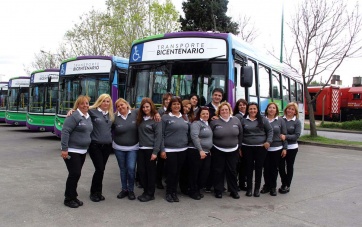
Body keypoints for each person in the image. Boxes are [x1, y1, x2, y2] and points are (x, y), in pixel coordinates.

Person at [61, 95, 93, 208]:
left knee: (76, 174)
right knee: (74, 174)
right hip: (72, 150)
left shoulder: (87, 116)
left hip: (83, 151)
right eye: (82, 103)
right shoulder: (74, 116)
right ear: (78, 105)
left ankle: (73, 196)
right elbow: (65, 131)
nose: (85, 105)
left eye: (87, 103)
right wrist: (64, 149)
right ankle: (68, 198)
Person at [210, 102, 243, 199]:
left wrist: (239, 146)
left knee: (232, 171)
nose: (224, 111)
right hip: (218, 150)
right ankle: (218, 190)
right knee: (218, 171)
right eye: (222, 109)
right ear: (219, 111)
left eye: (226, 109)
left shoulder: (236, 120)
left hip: (233, 150)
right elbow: (210, 135)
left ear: (229, 110)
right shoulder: (214, 122)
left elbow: (240, 134)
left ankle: (233, 190)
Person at [240, 102, 273, 197]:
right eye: (250, 109)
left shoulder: (263, 119)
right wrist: (240, 147)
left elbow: (270, 131)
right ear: (247, 110)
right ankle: (249, 189)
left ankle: (257, 189)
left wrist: (268, 141)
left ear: (257, 110)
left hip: (261, 148)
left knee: (258, 168)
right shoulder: (243, 120)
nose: (252, 111)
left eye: (254, 109)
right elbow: (240, 134)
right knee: (249, 168)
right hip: (247, 147)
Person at [160, 96, 189, 203]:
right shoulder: (165, 117)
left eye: (178, 104)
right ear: (170, 106)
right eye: (174, 104)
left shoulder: (184, 117)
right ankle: (168, 192)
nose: (176, 106)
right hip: (170, 150)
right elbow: (161, 135)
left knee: (177, 172)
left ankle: (174, 193)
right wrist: (162, 149)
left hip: (183, 149)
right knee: (171, 172)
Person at [87, 94, 115, 202]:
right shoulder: (92, 111)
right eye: (104, 101)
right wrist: (71, 111)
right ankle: (93, 193)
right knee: (99, 168)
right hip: (95, 146)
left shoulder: (111, 115)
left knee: (101, 170)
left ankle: (99, 192)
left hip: (107, 147)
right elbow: (79, 111)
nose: (106, 103)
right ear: (99, 101)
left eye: (108, 101)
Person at [136, 98, 162, 202]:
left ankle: (150, 194)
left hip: (151, 150)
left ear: (151, 107)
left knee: (150, 172)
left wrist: (155, 152)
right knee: (142, 171)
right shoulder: (140, 118)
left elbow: (158, 136)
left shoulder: (156, 119)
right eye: (143, 107)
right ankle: (145, 191)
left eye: (147, 106)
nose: (145, 108)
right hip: (141, 149)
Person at [113, 98, 139, 200]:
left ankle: (131, 190)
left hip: (133, 148)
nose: (120, 107)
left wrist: (157, 114)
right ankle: (124, 189)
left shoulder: (135, 113)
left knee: (131, 169)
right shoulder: (114, 117)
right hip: (118, 148)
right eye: (118, 106)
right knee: (123, 169)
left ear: (127, 105)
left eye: (122, 105)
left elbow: (149, 111)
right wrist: (73, 110)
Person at [260, 103, 287, 196]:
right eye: (270, 108)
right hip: (265, 148)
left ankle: (273, 187)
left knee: (274, 169)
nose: (271, 109)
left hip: (277, 148)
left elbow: (284, 135)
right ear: (267, 109)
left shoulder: (280, 120)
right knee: (266, 169)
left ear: (276, 110)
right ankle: (266, 186)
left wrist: (285, 148)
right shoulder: (262, 120)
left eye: (273, 108)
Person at [189, 106, 213, 200]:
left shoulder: (207, 124)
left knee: (204, 173)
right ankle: (193, 191)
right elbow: (194, 137)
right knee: (195, 172)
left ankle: (198, 189)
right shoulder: (196, 123)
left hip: (206, 152)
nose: (205, 115)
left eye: (207, 114)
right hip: (197, 151)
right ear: (199, 115)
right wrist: (200, 150)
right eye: (203, 113)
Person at [279, 102, 301, 194]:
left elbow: (296, 136)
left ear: (295, 112)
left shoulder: (297, 122)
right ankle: (284, 182)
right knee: (280, 167)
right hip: (281, 147)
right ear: (286, 109)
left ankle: (287, 185)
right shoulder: (280, 119)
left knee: (289, 166)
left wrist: (285, 137)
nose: (290, 110)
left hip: (292, 147)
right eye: (289, 108)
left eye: (292, 109)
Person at [204, 88, 224, 192]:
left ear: (222, 97)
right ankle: (208, 184)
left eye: (219, 96)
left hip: (221, 140)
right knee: (210, 165)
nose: (217, 97)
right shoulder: (207, 108)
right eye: (215, 95)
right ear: (212, 96)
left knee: (219, 165)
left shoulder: (224, 108)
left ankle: (219, 185)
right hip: (209, 139)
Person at [156, 92, 173, 189]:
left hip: (170, 140)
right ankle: (158, 181)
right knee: (161, 162)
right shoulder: (160, 111)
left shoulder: (173, 111)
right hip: (162, 140)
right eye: (166, 99)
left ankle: (167, 179)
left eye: (170, 99)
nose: (168, 101)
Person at [233, 99, 248, 191]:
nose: (242, 107)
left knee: (243, 165)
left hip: (246, 143)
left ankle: (242, 183)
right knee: (238, 166)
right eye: (240, 105)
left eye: (244, 105)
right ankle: (238, 184)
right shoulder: (238, 117)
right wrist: (239, 146)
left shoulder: (247, 116)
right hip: (240, 144)